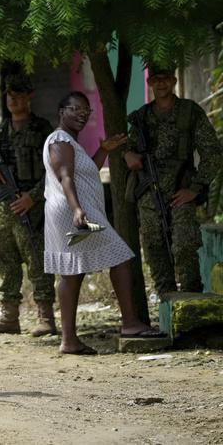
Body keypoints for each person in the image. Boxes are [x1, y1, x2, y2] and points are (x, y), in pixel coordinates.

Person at [44, 92, 163, 355]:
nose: (81, 116)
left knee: (72, 271)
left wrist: (104, 151)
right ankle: (130, 323)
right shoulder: (60, 140)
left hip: (70, 210)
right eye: (75, 109)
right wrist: (77, 209)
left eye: (86, 112)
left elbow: (84, 176)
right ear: (62, 111)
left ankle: (69, 340)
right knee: (118, 255)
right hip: (75, 212)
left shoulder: (70, 143)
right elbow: (65, 177)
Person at [124, 64, 222, 296]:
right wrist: (128, 155)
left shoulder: (189, 112)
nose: (161, 83)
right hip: (149, 196)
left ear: (174, 81)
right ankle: (166, 305)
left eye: (166, 78)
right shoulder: (141, 117)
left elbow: (213, 153)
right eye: (156, 79)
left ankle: (191, 303)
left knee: (185, 247)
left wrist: (196, 188)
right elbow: (127, 147)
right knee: (155, 251)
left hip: (181, 191)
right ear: (149, 83)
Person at [0, 74, 57, 337]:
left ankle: (46, 317)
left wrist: (32, 197)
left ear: (30, 96)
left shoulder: (43, 130)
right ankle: (9, 318)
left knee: (37, 259)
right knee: (3, 259)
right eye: (11, 95)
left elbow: (54, 171)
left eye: (20, 95)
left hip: (31, 207)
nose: (14, 100)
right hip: (3, 209)